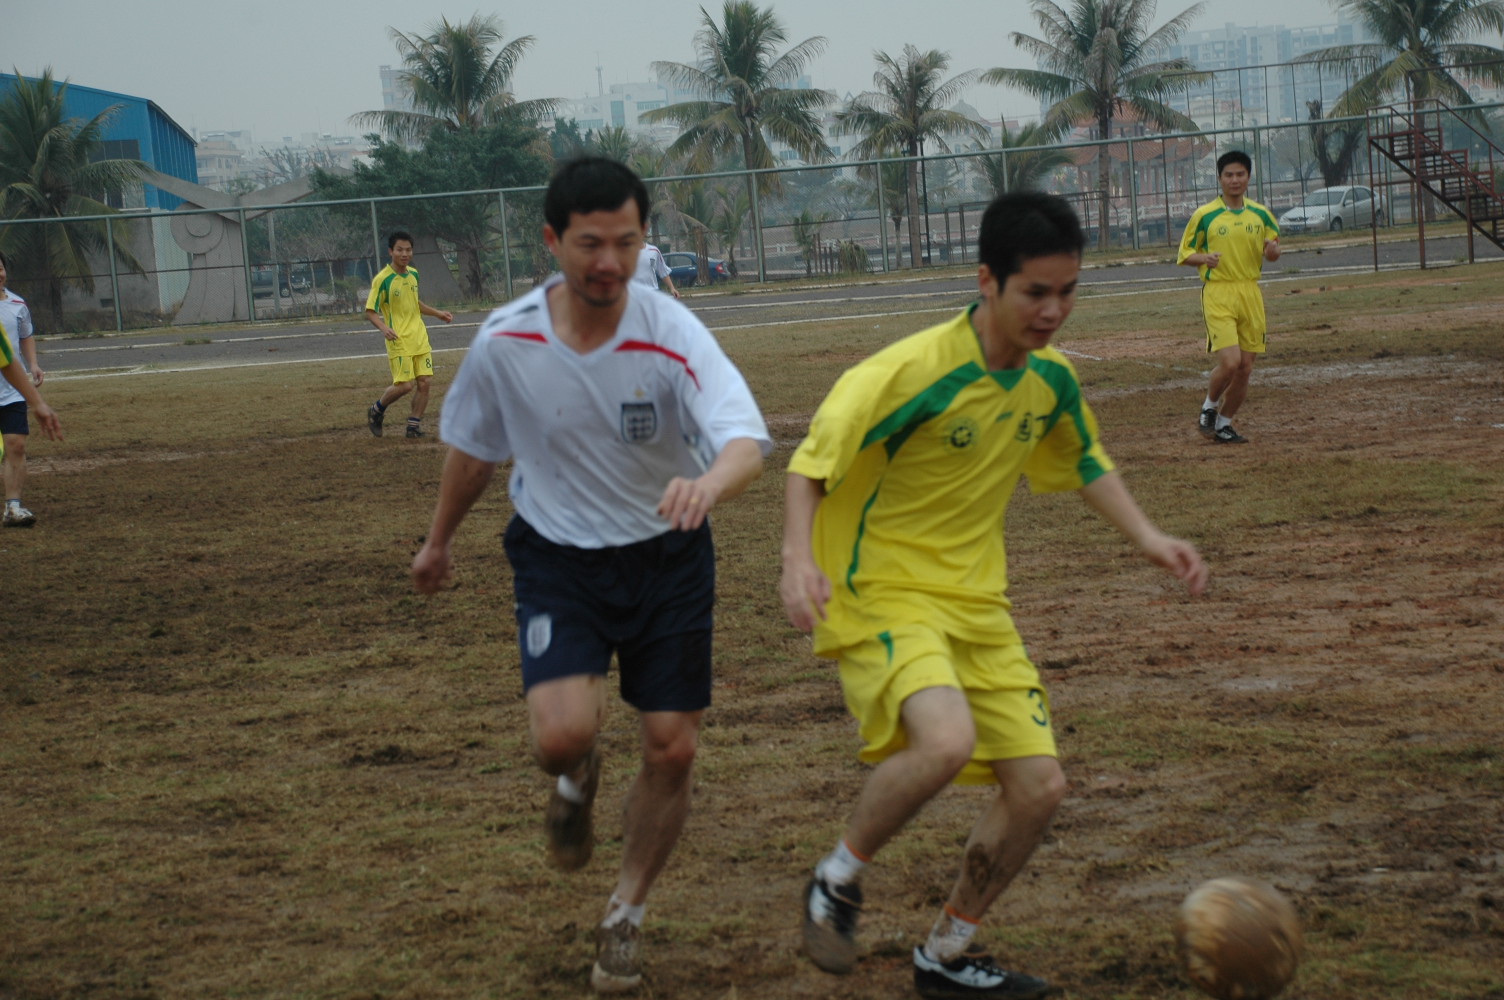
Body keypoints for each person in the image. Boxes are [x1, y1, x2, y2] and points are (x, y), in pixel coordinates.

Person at [781, 192, 1208, 1000]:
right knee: (945, 743)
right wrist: (796, 561)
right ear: (987, 281)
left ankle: (946, 953)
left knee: (1040, 787)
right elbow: (810, 466)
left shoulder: (1050, 380)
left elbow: (1085, 461)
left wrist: (1150, 538)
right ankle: (835, 880)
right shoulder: (910, 373)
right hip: (883, 592)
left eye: (1068, 292)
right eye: (1035, 293)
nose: (1054, 311)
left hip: (978, 607)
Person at [410, 157, 770, 994]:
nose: (610, 262)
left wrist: (708, 485)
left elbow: (744, 438)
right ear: (552, 240)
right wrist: (437, 543)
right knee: (561, 738)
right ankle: (576, 780)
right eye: (590, 244)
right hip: (558, 557)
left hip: (669, 556)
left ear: (644, 241)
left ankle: (624, 917)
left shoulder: (672, 330)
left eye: (627, 243)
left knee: (673, 746)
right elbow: (475, 453)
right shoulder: (507, 339)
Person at [1177, 150, 1280, 445]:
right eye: (1229, 175)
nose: (1235, 180)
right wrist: (1204, 258)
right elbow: (1184, 254)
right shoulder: (1205, 215)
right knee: (1231, 362)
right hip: (1219, 292)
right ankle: (1209, 407)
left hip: (1250, 292)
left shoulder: (1261, 215)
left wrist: (1273, 251)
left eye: (1240, 174)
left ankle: (1224, 424)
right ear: (1220, 179)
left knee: (1245, 368)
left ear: (1248, 178)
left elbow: (1272, 252)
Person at [364, 230, 454, 438]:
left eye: (408, 250)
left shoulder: (413, 274)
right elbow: (370, 311)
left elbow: (414, 303)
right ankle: (376, 409)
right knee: (405, 385)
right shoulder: (383, 279)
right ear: (391, 251)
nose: (404, 254)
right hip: (399, 339)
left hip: (419, 337)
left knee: (425, 382)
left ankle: (413, 426)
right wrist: (384, 328)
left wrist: (438, 313)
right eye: (400, 250)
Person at [0, 251, 45, 525]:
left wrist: (33, 365)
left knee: (16, 445)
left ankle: (13, 508)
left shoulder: (17, 304)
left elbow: (26, 336)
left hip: (12, 391)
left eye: (0, 268)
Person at [0, 316, 62, 474]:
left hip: (10, 394)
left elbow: (6, 361)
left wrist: (36, 402)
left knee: (14, 446)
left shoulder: (17, 306)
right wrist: (37, 403)